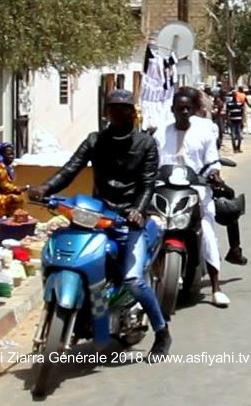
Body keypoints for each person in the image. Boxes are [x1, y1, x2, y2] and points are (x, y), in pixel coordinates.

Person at [28, 90, 171, 359]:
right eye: (113, 108)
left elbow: (148, 182)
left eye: (124, 108)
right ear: (106, 112)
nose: (118, 113)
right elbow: (71, 169)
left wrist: (138, 211)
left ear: (133, 112)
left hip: (129, 220)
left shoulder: (146, 144)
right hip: (98, 216)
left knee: (133, 280)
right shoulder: (95, 140)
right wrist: (45, 187)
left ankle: (162, 331)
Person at [154, 88, 231, 307]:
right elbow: (153, 161)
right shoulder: (161, 133)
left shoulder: (204, 133)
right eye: (180, 108)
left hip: (196, 191)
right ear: (173, 110)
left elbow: (212, 161)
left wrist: (214, 174)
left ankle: (216, 286)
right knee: (146, 230)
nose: (184, 112)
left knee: (207, 231)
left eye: (188, 108)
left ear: (194, 110)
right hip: (163, 191)